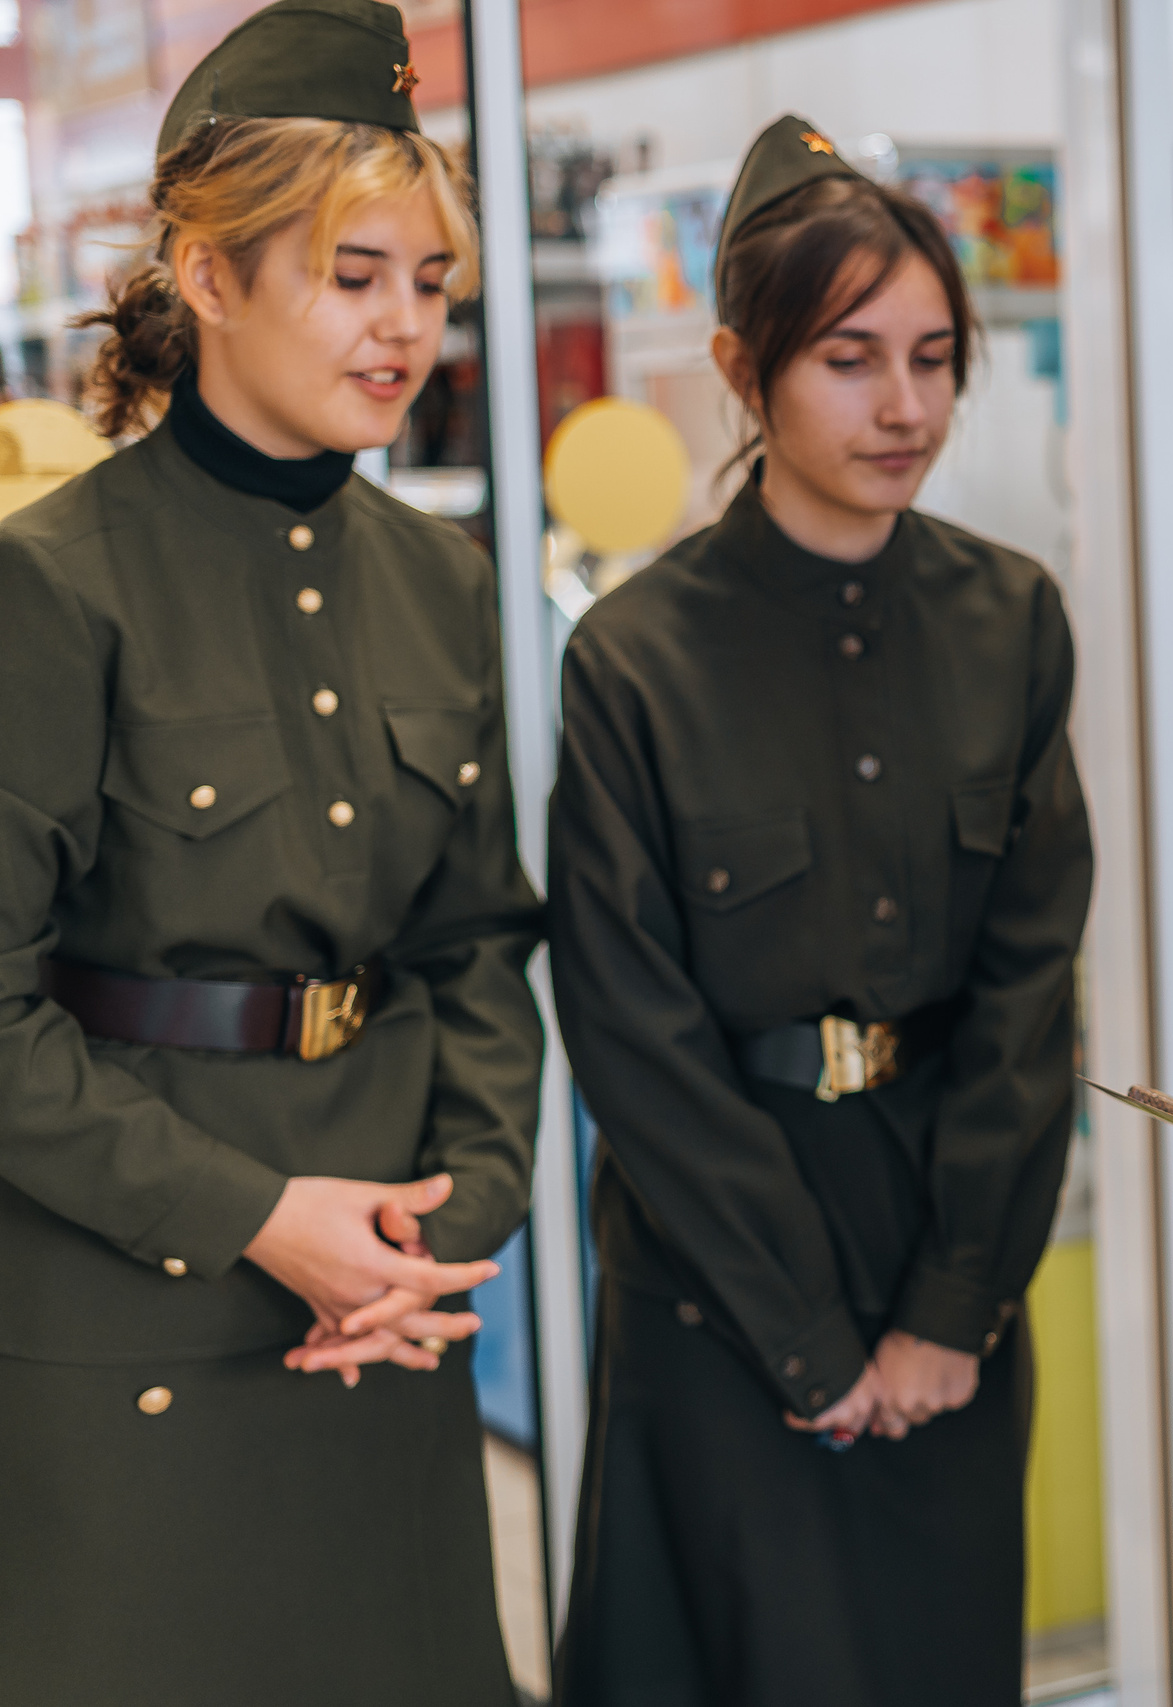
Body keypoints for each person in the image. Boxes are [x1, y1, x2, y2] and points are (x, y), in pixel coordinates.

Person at [0, 4, 542, 1700]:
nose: (403, 327)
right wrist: (257, 1217)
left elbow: (479, 950)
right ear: (211, 277)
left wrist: (465, 1208)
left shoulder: (444, 579)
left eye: (431, 281)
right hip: (131, 1306)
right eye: (354, 272)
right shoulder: (56, 581)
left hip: (386, 1301)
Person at [547, 114, 1093, 1707]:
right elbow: (629, 1028)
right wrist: (809, 1341)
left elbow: (1028, 984)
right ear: (741, 364)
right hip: (717, 1282)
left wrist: (949, 1308)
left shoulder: (1010, 620)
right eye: (851, 358)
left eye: (934, 355)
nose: (905, 404)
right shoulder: (637, 659)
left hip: (948, 1247)